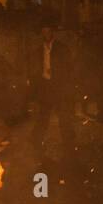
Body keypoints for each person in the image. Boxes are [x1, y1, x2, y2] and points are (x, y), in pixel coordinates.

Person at [28, 23, 76, 156]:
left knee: (63, 114)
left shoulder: (62, 48)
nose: (45, 35)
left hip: (59, 86)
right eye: (43, 32)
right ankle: (36, 138)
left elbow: (69, 68)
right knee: (44, 114)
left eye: (48, 31)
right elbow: (35, 70)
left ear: (52, 32)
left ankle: (68, 140)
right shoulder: (39, 50)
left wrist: (66, 84)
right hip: (46, 86)